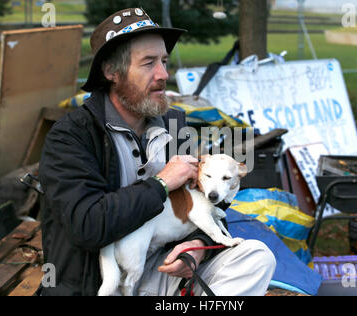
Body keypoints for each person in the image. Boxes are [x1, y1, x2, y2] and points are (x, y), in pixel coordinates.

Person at [39, 7, 276, 296]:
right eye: (148, 62)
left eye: (164, 61)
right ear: (111, 71)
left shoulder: (175, 125)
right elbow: (87, 226)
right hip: (100, 282)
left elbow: (209, 202)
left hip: (163, 269)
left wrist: (198, 246)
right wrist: (162, 183)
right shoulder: (72, 136)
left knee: (256, 257)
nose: (163, 74)